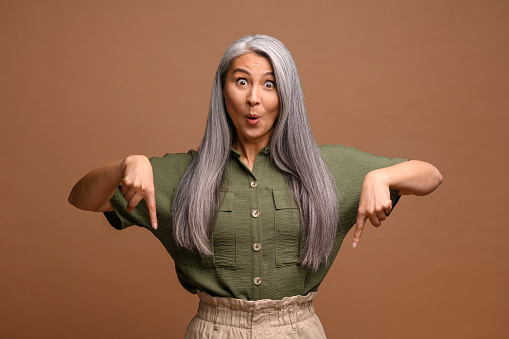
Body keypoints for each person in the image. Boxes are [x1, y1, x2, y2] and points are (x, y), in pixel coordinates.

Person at [69, 35, 442, 338]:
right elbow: (82, 198)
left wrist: (384, 176)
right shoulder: (182, 175)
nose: (254, 99)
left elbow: (430, 175)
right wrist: (124, 165)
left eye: (270, 84)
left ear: (287, 96)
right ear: (223, 90)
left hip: (298, 329)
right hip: (214, 329)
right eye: (242, 81)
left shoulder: (327, 168)